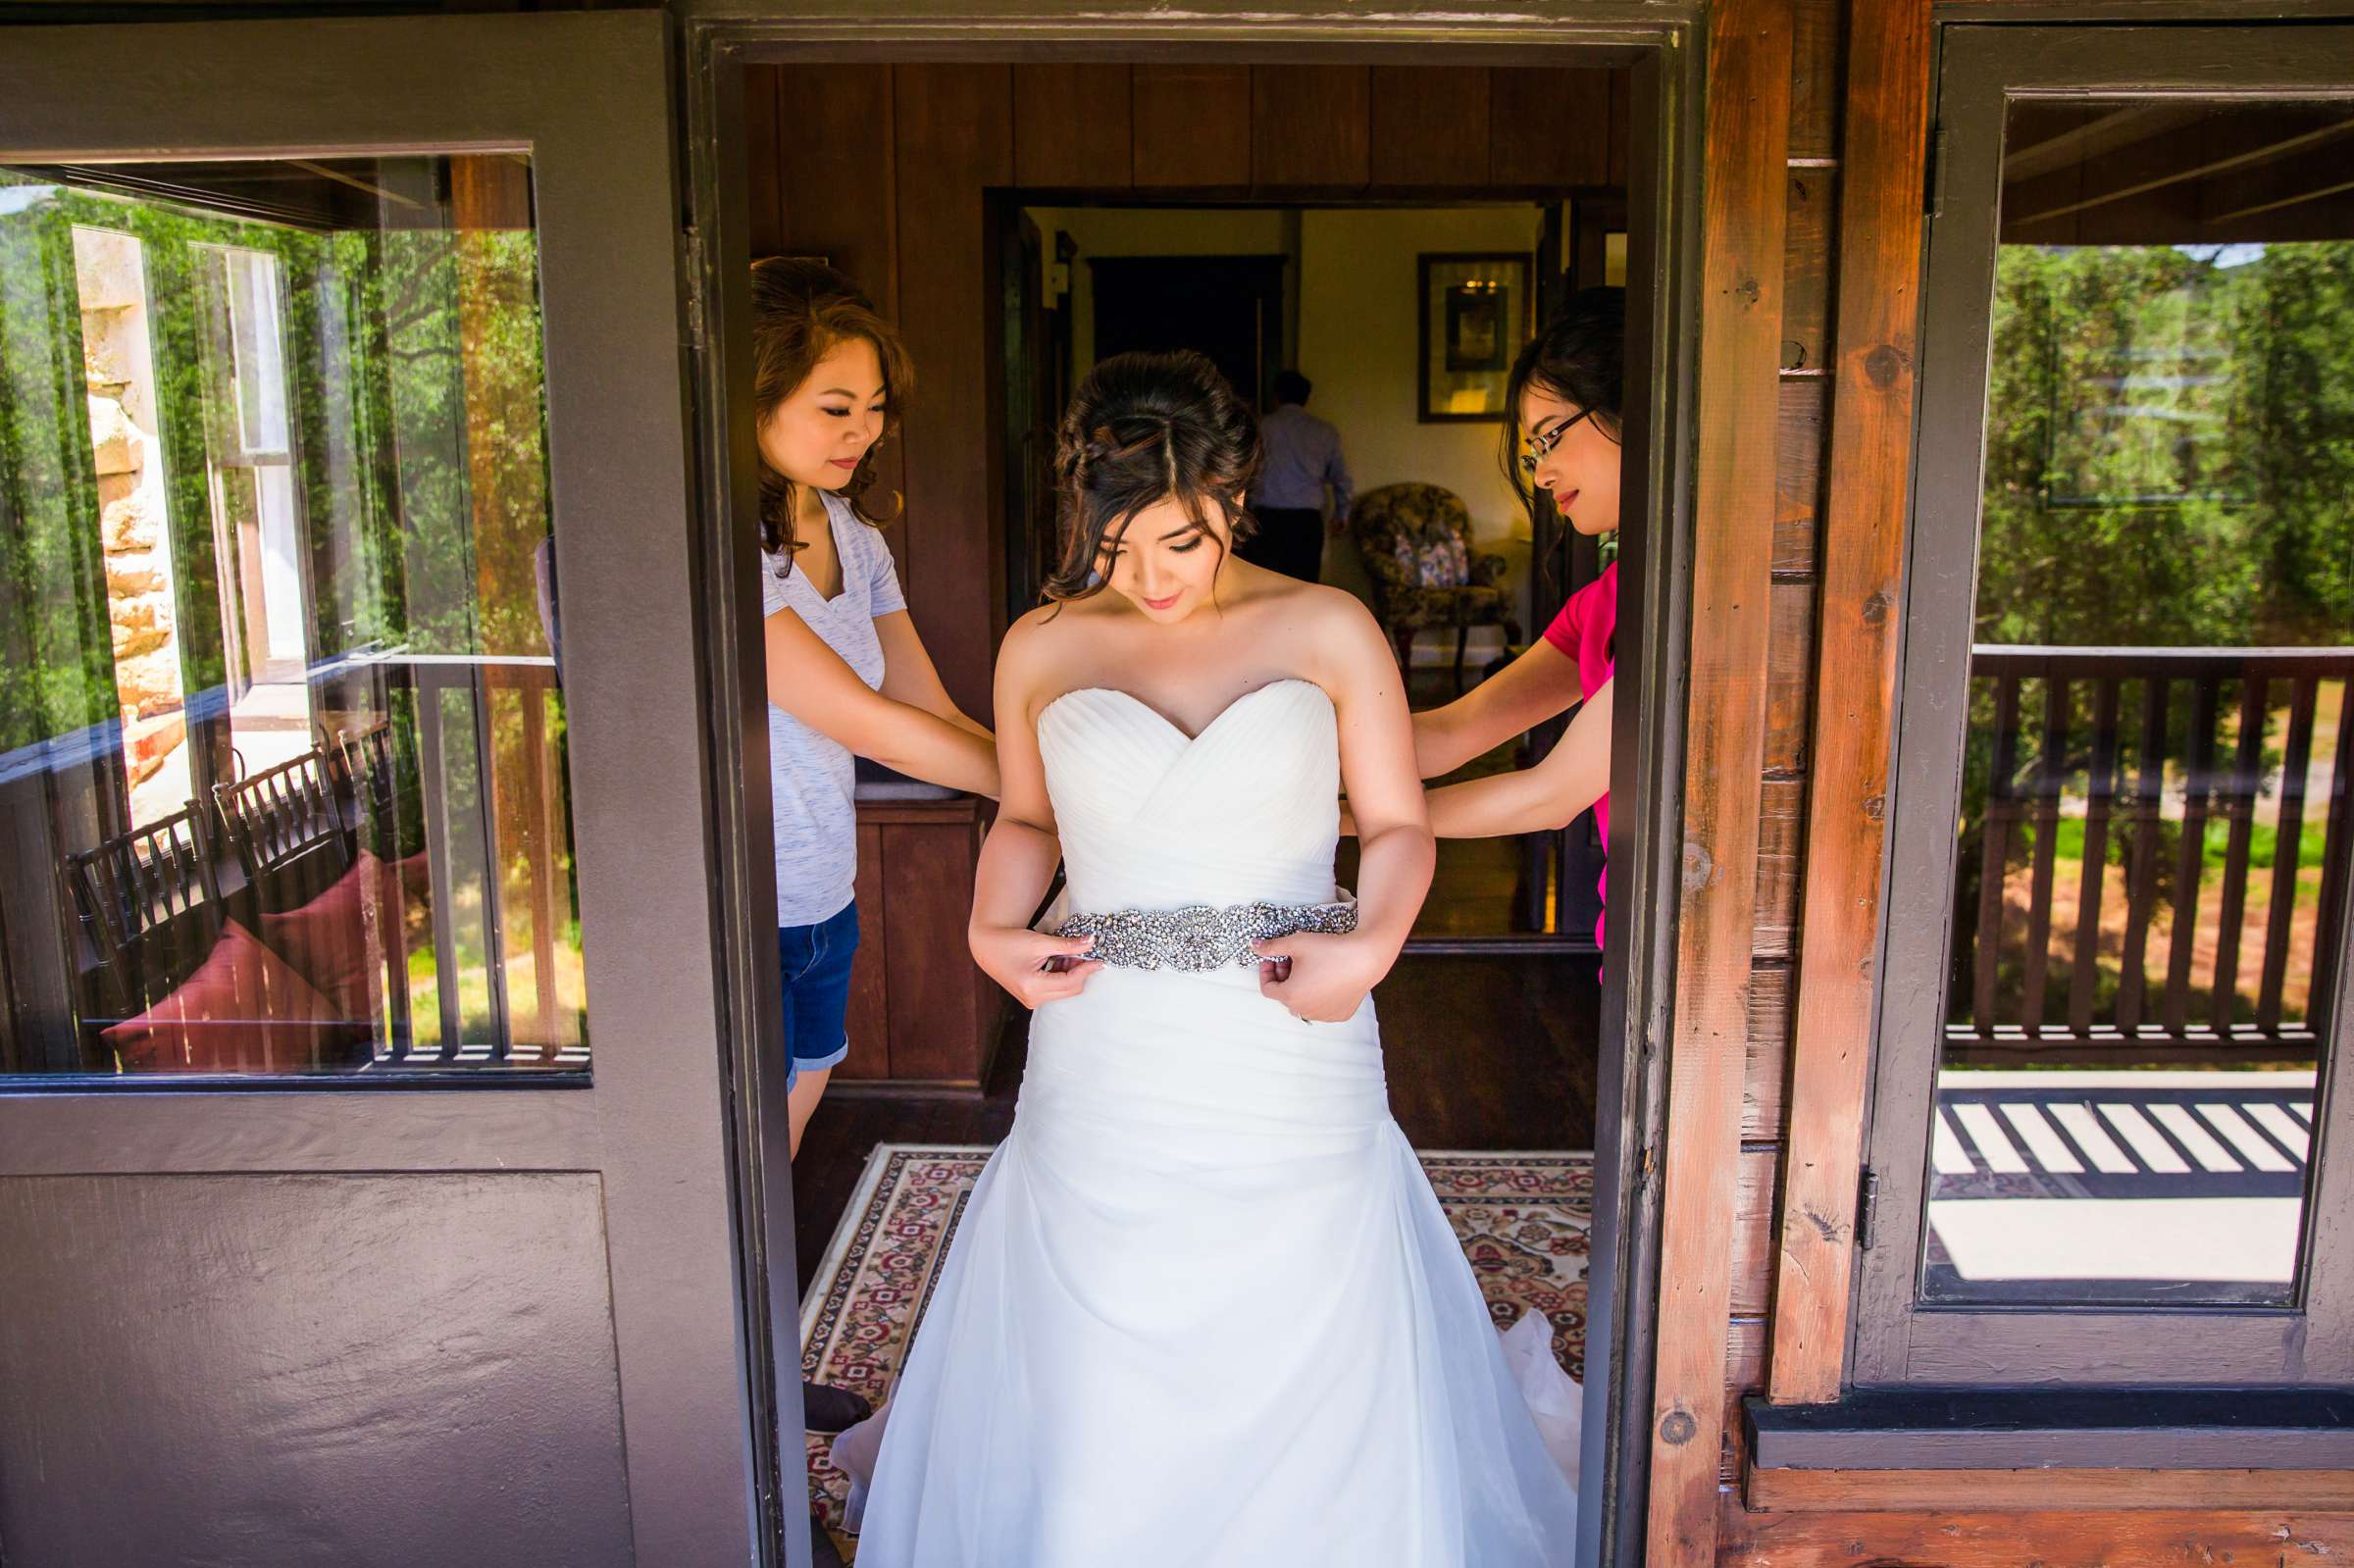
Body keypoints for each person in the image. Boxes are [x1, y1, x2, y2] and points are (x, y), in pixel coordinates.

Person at [832, 350, 1579, 1566]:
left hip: (1291, 1021)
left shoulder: (1328, 625)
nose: (1151, 578)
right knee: (1101, 1292)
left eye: (1180, 542)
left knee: (1302, 1291)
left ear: (1232, 500)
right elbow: (1027, 820)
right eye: (1118, 547)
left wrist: (1371, 948)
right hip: (1106, 1025)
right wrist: (986, 929)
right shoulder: (1045, 641)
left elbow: (1394, 825)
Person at [750, 258, 998, 1433]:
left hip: (820, 887)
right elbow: (854, 717)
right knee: (739, 1154)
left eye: (875, 408)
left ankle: (748, 1366)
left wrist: (1043, 777)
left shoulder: (853, 533)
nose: (863, 432)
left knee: (780, 1137)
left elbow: (927, 707)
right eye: (833, 408)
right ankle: (733, 1382)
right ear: (756, 401)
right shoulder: (724, 545)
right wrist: (1088, 796)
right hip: (743, 898)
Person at [1361, 288, 1621, 948]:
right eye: (1534, 450)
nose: (1541, 472)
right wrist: (1294, 769)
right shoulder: (1602, 601)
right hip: (1620, 931)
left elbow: (1552, 795)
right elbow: (1456, 729)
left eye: (1550, 436)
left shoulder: (1691, 592)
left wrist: (1352, 819)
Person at [1239, 368, 1352, 583]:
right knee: (1305, 585)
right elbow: (1340, 478)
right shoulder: (1324, 431)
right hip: (1306, 521)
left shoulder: (1261, 426)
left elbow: (1244, 471)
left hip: (1266, 519)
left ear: (1276, 396)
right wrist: (1341, 513)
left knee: (1264, 585)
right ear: (1307, 398)